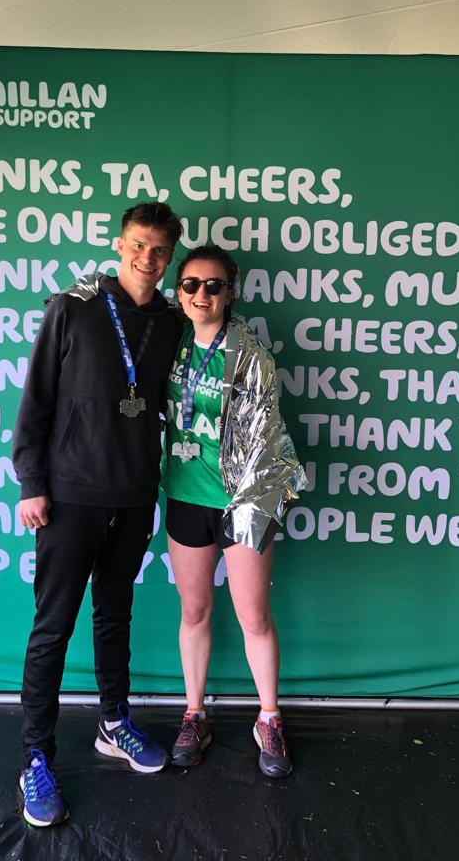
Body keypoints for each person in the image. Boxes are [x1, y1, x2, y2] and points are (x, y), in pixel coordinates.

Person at [12, 201, 183, 827]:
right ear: (119, 245)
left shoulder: (173, 322)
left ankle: (114, 723)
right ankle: (35, 756)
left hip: (134, 495)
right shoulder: (72, 308)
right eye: (138, 244)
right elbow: (36, 400)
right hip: (68, 495)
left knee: (116, 614)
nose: (147, 258)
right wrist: (32, 483)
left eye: (159, 250)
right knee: (53, 626)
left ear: (170, 258)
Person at [162, 245, 306, 777]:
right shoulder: (168, 339)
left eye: (214, 285)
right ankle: (194, 714)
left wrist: (252, 505)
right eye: (191, 284)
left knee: (254, 617)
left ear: (230, 292)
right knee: (194, 612)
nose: (202, 294)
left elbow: (266, 438)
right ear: (179, 291)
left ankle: (269, 718)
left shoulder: (250, 353)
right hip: (184, 496)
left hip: (242, 502)